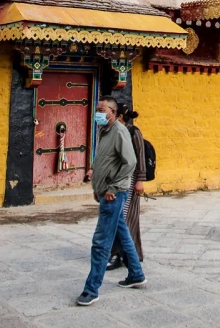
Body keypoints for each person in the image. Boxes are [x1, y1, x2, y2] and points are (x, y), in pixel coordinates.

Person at [77, 97, 145, 306]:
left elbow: (130, 162)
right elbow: (104, 160)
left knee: (101, 242)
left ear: (113, 113)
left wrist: (112, 188)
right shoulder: (104, 131)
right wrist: (95, 179)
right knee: (122, 233)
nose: (98, 113)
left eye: (102, 109)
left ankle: (91, 289)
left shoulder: (119, 132)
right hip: (105, 191)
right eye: (97, 109)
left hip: (113, 194)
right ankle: (136, 274)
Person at [106, 104, 146, 271]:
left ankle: (121, 254)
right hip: (115, 180)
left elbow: (140, 156)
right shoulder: (112, 131)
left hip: (130, 180)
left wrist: (140, 180)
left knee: (124, 219)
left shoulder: (133, 132)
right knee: (120, 219)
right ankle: (128, 254)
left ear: (120, 116)